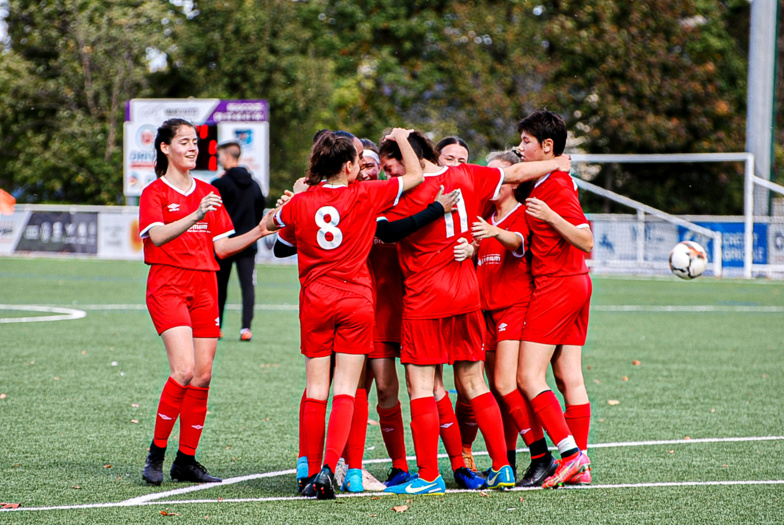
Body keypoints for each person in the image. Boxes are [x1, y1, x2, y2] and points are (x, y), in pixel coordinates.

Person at [376, 131, 570, 495]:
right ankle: (503, 468)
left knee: (420, 386)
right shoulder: (467, 175)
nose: (391, 177)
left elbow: (385, 232)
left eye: (392, 168)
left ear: (409, 159)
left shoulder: (405, 193)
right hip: (466, 295)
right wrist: (557, 163)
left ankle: (429, 476)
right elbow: (512, 175)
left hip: (425, 297)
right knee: (474, 383)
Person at [266, 128, 424, 500]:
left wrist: (293, 199)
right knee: (346, 390)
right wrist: (402, 139)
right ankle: (329, 470)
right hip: (355, 300)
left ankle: (306, 466)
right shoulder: (366, 194)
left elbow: (276, 230)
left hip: (316, 301)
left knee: (316, 389)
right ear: (351, 165)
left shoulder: (301, 202)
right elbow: (415, 177)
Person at [139, 118, 275, 486]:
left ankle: (186, 461)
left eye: (195, 142)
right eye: (183, 141)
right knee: (183, 370)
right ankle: (156, 453)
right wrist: (195, 214)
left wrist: (261, 229)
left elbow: (221, 247)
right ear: (165, 147)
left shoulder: (207, 191)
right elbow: (158, 237)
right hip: (167, 283)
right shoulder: (154, 193)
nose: (192, 147)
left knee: (202, 375)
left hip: (205, 286)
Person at [458, 150, 552, 487]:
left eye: (500, 176)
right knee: (498, 391)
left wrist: (493, 233)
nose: (493, 182)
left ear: (514, 182)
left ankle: (542, 457)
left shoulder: (521, 214)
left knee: (504, 384)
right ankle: (506, 461)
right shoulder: (485, 213)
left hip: (513, 308)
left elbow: (517, 242)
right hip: (485, 310)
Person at [514, 110, 594, 488]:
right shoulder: (547, 180)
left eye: (527, 141)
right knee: (567, 376)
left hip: (558, 284)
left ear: (548, 146)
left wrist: (550, 216)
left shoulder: (556, 186)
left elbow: (586, 238)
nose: (520, 147)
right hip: (575, 282)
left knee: (528, 375)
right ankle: (581, 465)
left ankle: (570, 454)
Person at [211, 141, 266, 342]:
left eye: (219, 157)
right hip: (248, 244)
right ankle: (246, 329)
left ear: (226, 157)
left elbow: (211, 212)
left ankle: (216, 326)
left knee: (219, 286)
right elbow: (260, 210)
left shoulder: (219, 185)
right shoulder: (255, 185)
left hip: (223, 243)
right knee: (248, 287)